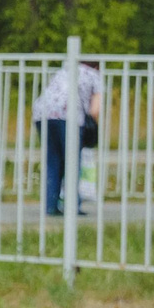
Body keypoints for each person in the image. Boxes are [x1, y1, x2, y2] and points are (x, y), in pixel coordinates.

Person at [32, 57, 102, 218]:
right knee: (72, 162)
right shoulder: (93, 75)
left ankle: (51, 205)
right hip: (69, 116)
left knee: (53, 160)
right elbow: (95, 109)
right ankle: (72, 206)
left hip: (42, 114)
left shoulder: (64, 71)